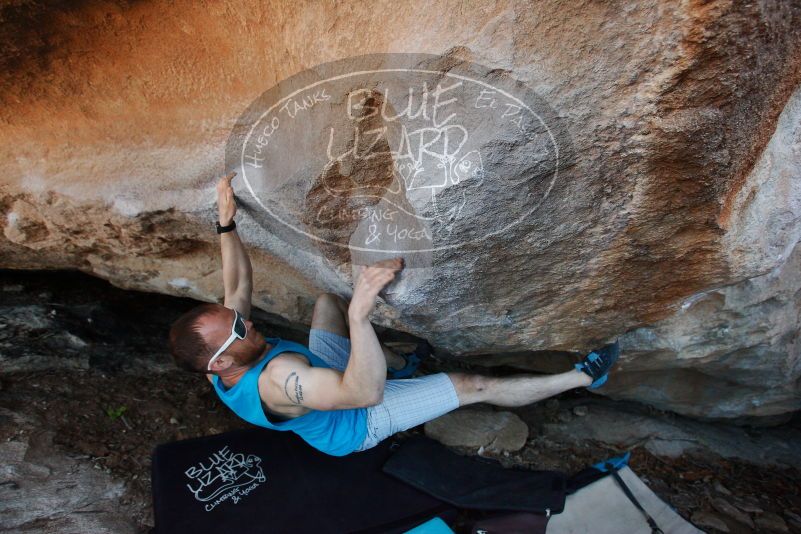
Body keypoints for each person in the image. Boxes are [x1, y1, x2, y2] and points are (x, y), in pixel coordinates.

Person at [168, 172, 619, 457]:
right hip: (358, 420)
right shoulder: (279, 378)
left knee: (327, 304)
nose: (247, 319)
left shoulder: (217, 363)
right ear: (222, 362)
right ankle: (584, 377)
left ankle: (403, 363)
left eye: (238, 319)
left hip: (334, 380)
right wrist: (361, 316)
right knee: (472, 385)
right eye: (240, 328)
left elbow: (238, 287)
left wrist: (226, 224)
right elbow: (364, 392)